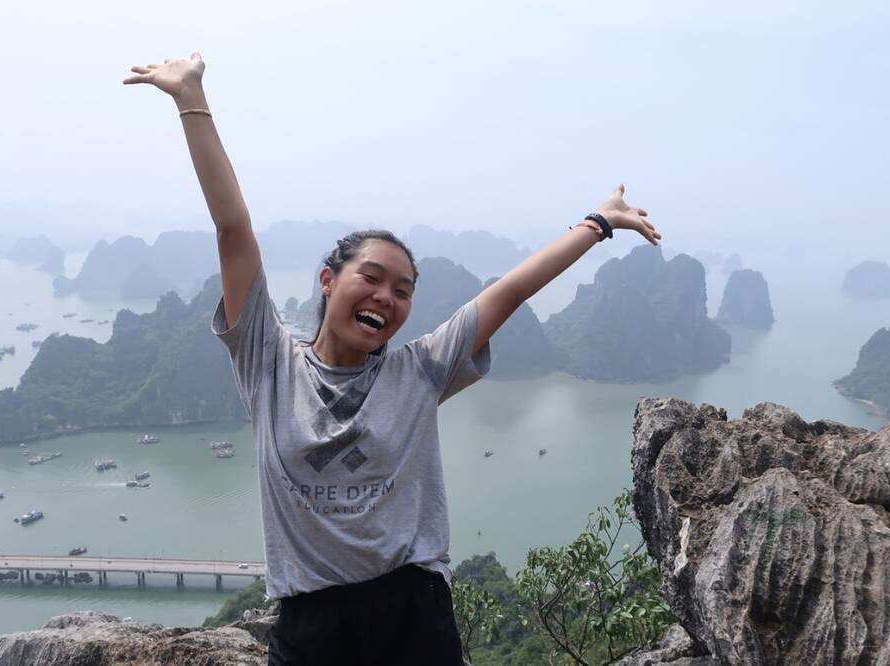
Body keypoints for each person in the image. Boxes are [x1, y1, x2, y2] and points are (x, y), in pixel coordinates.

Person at [124, 52, 661, 666]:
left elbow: (510, 291)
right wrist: (191, 100)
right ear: (328, 279)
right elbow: (233, 230)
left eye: (403, 291)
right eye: (371, 278)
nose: (387, 296)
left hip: (413, 614)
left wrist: (598, 222)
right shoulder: (267, 363)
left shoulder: (420, 370)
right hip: (311, 624)